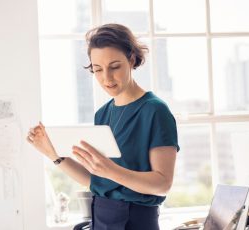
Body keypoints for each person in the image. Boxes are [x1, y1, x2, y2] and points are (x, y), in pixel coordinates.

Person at [26, 23, 180, 230]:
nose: (106, 78)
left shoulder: (155, 111)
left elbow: (163, 184)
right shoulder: (103, 113)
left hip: (136, 221)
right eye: (97, 69)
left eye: (114, 67)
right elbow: (95, 181)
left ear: (131, 59)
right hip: (101, 216)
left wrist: (111, 171)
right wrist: (54, 154)